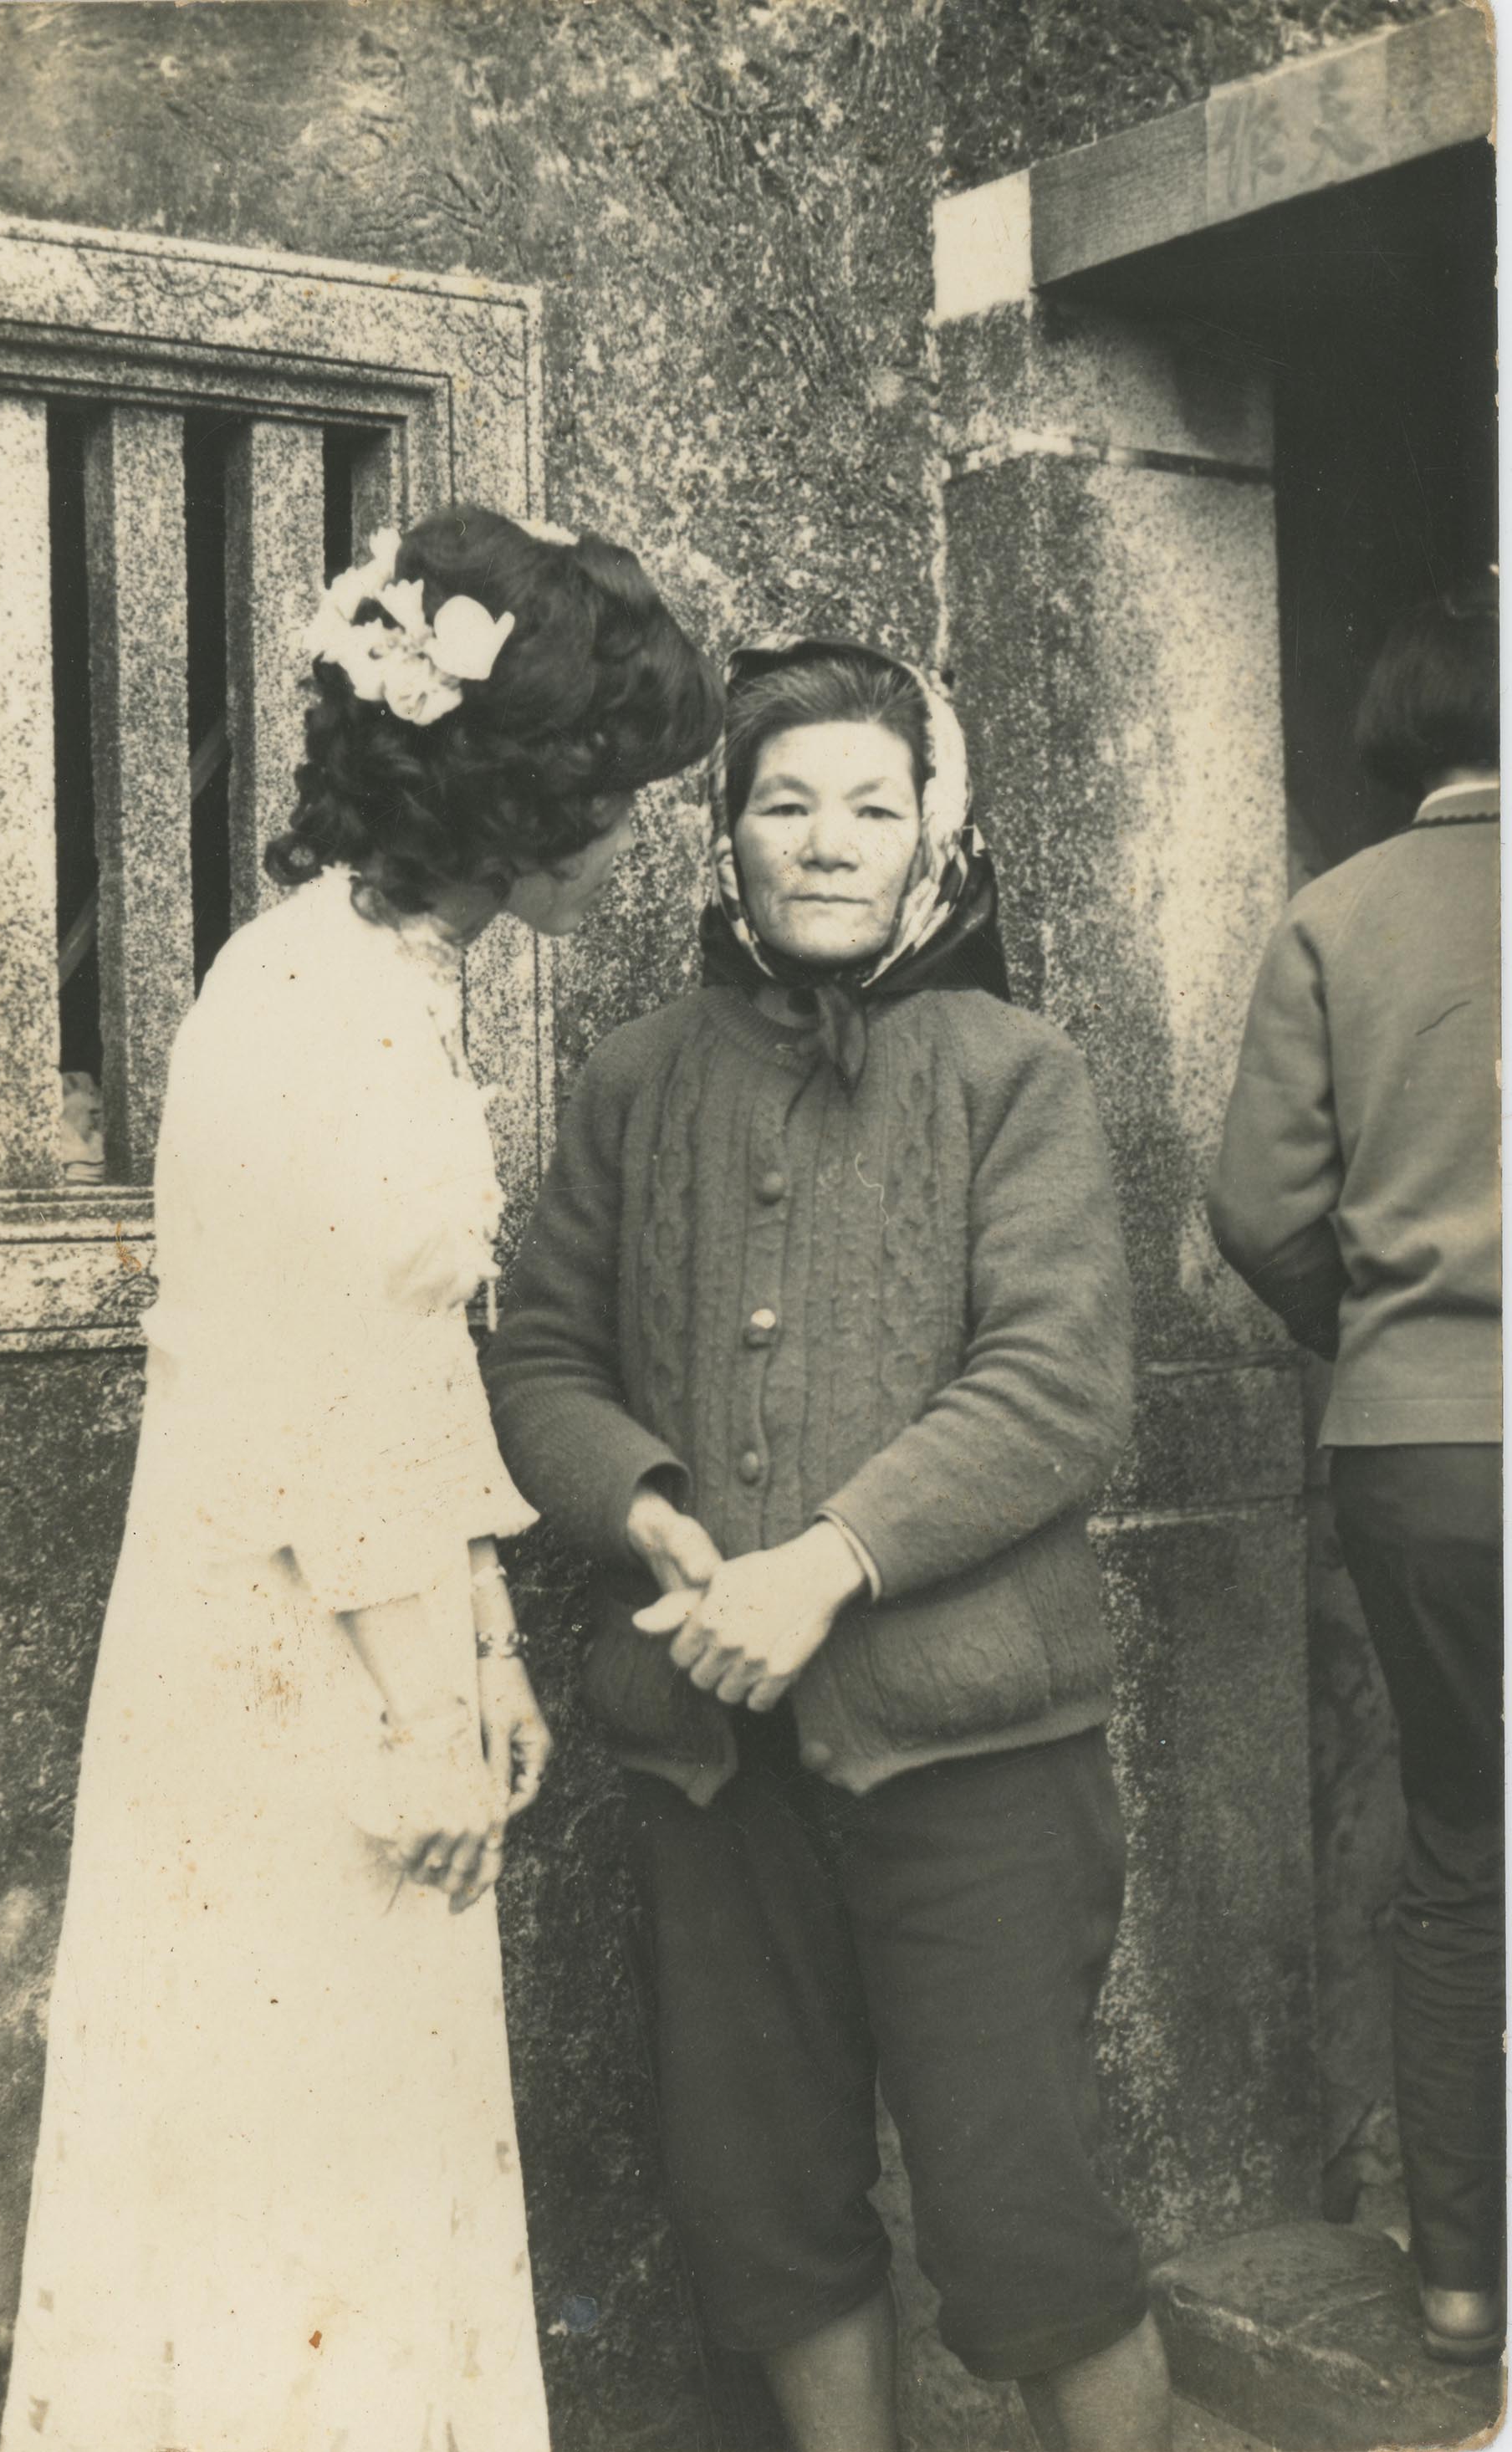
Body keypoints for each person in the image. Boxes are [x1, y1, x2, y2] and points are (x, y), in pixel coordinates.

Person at [0, 506, 722, 2452]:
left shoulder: (364, 971)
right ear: (520, 799)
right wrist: (423, 1709)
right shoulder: (319, 1010)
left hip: (343, 1612)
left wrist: (485, 1641)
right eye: (612, 793)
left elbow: (407, 1364)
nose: (628, 834)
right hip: (296, 1650)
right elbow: (322, 1404)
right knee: (302, 2150)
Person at [485, 637, 1172, 2452]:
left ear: (933, 836)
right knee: (765, 2213)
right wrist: (644, 1505)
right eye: (783, 804)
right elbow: (543, 1355)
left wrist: (824, 1564)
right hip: (714, 1758)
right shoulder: (633, 1079)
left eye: (872, 807)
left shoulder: (1014, 1070)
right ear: (723, 837)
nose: (827, 840)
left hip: (974, 1754)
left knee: (1026, 2225)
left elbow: (1056, 1383)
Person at [1208, 577, 1502, 2366]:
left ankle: (1463, 2278)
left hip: (1418, 1452)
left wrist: (1388, 1336)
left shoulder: (1331, 914)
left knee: (1464, 1847)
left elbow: (1255, 1207)